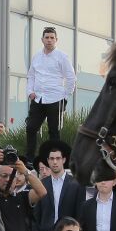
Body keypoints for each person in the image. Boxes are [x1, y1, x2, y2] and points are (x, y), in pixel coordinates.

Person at [25, 27, 76, 159]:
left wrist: (65, 95)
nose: (49, 40)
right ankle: (30, 159)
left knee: (54, 131)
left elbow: (71, 77)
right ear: (42, 39)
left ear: (56, 40)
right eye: (47, 37)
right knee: (31, 127)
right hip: (38, 99)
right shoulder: (36, 56)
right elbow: (31, 75)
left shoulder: (62, 56)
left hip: (56, 99)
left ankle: (55, 159)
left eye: (52, 37)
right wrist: (30, 91)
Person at [32, 140, 83, 231]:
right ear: (48, 160)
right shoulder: (41, 184)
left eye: (58, 158)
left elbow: (80, 215)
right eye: (52, 158)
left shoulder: (76, 185)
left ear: (63, 160)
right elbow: (36, 214)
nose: (55, 162)